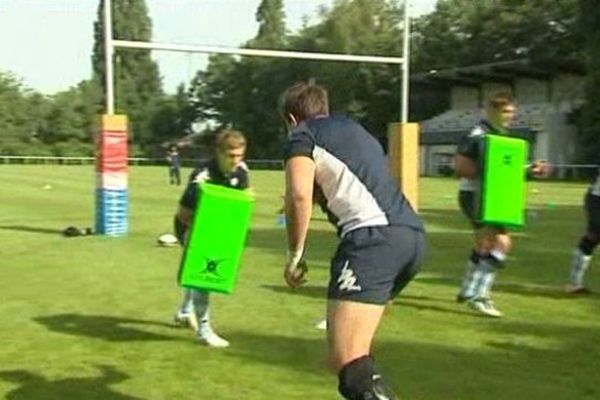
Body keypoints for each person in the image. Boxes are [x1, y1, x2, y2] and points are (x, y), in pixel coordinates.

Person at [281, 80, 425, 400]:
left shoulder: (302, 135)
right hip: (410, 237)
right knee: (352, 356)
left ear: (291, 120)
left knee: (348, 360)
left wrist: (295, 254)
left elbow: (299, 195)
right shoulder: (355, 131)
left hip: (372, 240)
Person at [455, 92, 548, 317]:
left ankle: (468, 290)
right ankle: (480, 295)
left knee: (483, 244)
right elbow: (461, 168)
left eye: (512, 112)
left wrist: (528, 169)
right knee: (501, 242)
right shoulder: (477, 135)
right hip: (477, 196)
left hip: (495, 197)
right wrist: (493, 171)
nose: (511, 116)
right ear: (492, 111)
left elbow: (504, 168)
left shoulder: (501, 135)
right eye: (506, 111)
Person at [172, 130, 249, 347]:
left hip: (217, 228)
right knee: (203, 275)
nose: (235, 161)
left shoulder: (242, 172)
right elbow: (183, 214)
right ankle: (204, 330)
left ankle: (185, 312)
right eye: (230, 156)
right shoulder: (202, 176)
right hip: (191, 226)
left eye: (239, 155)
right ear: (219, 153)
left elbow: (240, 203)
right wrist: (202, 236)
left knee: (197, 275)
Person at [565, 162, 600, 294]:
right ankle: (574, 283)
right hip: (597, 199)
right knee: (594, 235)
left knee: (593, 238)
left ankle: (574, 283)